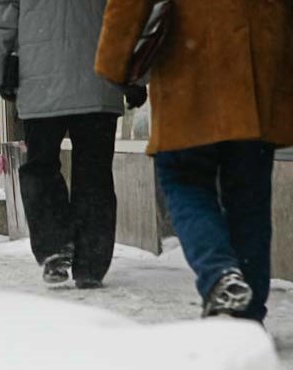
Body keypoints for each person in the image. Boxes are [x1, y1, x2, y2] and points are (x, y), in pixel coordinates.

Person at [96, 1, 292, 321]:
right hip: (258, 74)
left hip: (190, 75)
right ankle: (247, 314)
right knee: (249, 200)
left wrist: (113, 64)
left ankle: (219, 274)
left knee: (183, 179)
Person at [0, 0, 145, 289]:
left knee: (40, 168)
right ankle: (92, 265)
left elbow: (1, 18)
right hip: (99, 80)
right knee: (94, 174)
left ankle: (54, 248)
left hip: (40, 82)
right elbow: (131, 13)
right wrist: (135, 74)